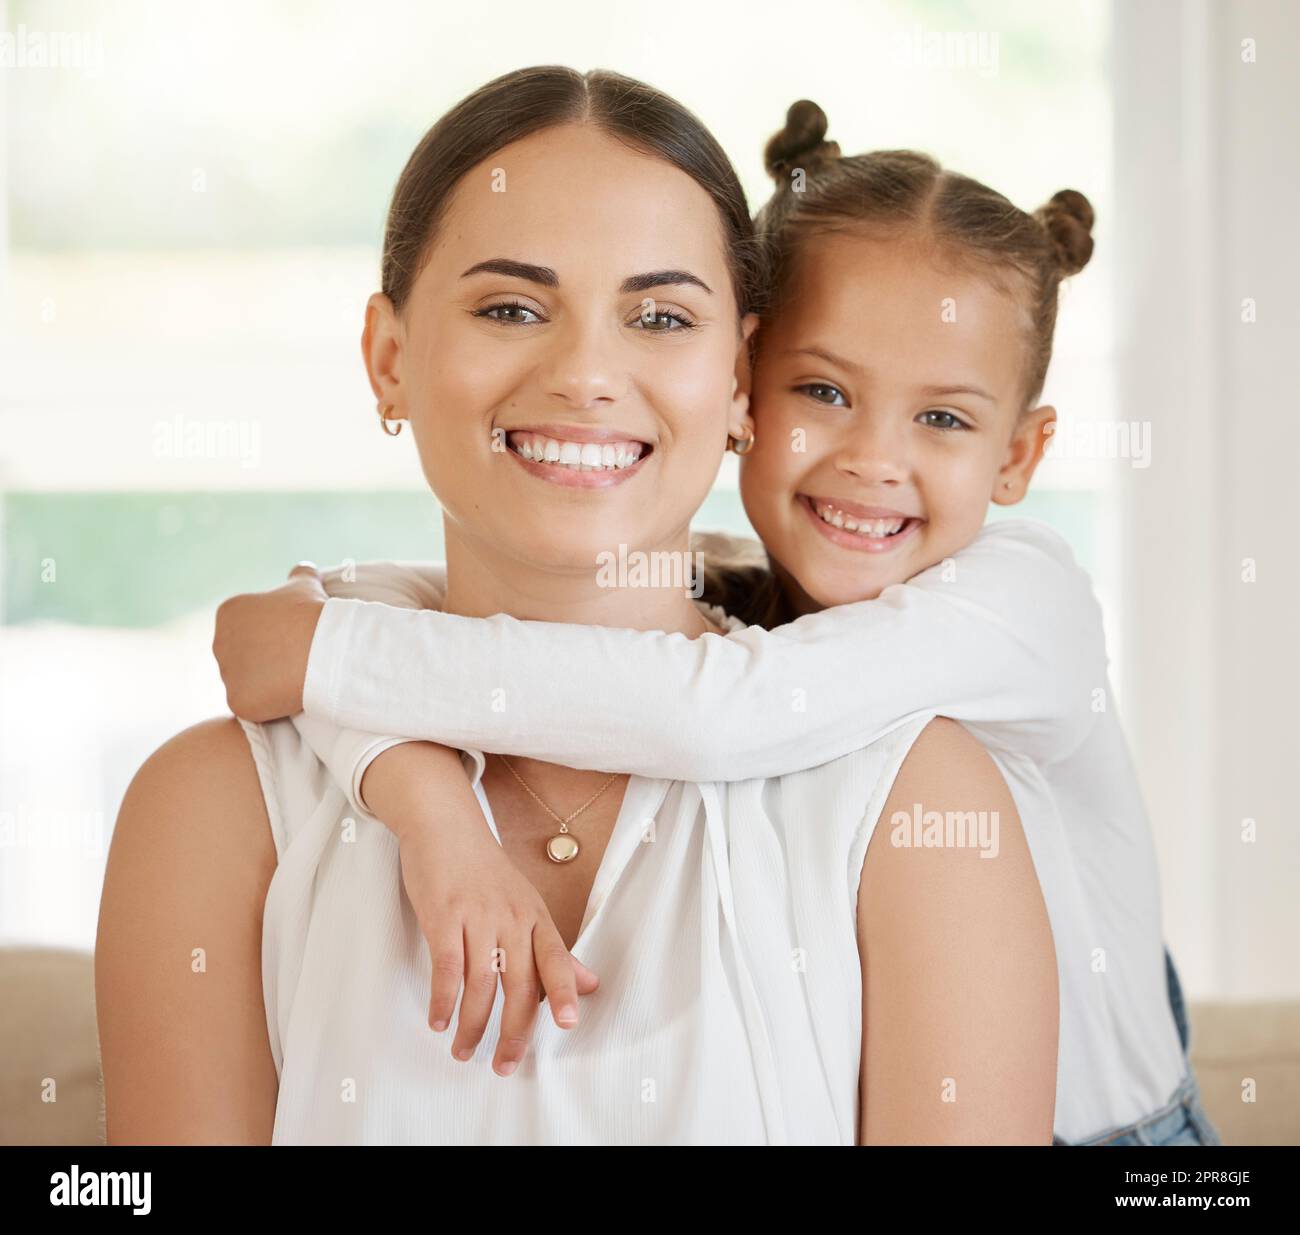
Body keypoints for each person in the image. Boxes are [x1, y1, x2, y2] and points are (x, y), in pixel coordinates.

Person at [212, 95, 1220, 1146]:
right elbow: (446, 610)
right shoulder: (768, 588)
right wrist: (416, 785)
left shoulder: (1020, 600)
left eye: (942, 417)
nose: (872, 457)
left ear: (1019, 454)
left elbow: (713, 718)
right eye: (823, 390)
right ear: (746, 390)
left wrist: (328, 651)